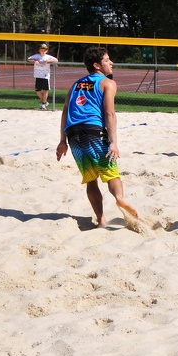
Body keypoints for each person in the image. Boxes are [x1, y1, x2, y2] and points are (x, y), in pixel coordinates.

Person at [56, 46, 139, 229]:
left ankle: (101, 220)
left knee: (91, 179)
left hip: (73, 135)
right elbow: (109, 114)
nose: (111, 63)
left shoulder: (75, 84)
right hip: (94, 132)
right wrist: (113, 143)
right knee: (111, 174)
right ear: (97, 65)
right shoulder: (107, 83)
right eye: (107, 60)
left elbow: (64, 113)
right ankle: (119, 199)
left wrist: (62, 141)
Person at [27, 43, 58, 110]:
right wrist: (35, 61)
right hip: (38, 75)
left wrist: (48, 61)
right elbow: (28, 59)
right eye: (41, 49)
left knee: (45, 90)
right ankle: (44, 101)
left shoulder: (48, 57)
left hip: (45, 76)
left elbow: (56, 60)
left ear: (46, 50)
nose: (43, 51)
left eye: (44, 50)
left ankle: (43, 104)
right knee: (38, 91)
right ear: (39, 50)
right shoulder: (36, 56)